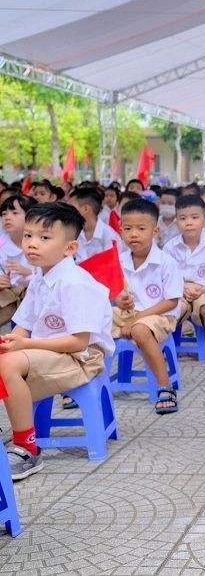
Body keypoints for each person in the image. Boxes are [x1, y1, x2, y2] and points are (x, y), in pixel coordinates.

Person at [0, 203, 114, 480]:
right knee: (6, 356)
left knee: (8, 364)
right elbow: (23, 328)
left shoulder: (74, 282)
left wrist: (23, 346)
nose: (32, 244)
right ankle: (22, 432)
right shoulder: (41, 278)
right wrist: (10, 341)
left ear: (70, 248)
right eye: (28, 236)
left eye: (44, 237)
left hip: (82, 358)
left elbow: (78, 342)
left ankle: (28, 448)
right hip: (48, 351)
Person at [114, 199, 184, 414]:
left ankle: (165, 386)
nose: (133, 234)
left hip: (161, 315)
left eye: (141, 229)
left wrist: (137, 318)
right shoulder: (119, 260)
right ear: (120, 230)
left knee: (140, 329)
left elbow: (171, 301)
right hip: (127, 315)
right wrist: (119, 300)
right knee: (89, 322)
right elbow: (113, 293)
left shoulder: (166, 262)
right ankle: (81, 383)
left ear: (155, 230)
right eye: (127, 228)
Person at [162, 195, 205, 366]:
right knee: (177, 308)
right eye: (183, 218)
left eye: (195, 217)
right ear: (176, 221)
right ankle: (165, 345)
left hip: (204, 288)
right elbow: (165, 275)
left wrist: (201, 290)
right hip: (179, 289)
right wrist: (182, 286)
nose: (189, 222)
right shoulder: (170, 247)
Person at [0, 195, 37, 325]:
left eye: (15, 213)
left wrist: (28, 273)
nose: (7, 217)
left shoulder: (40, 243)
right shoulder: (1, 243)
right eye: (4, 214)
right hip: (8, 303)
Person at [67, 186, 125, 263]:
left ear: (85, 209)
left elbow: (113, 267)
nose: (67, 211)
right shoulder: (71, 232)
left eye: (71, 208)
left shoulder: (110, 236)